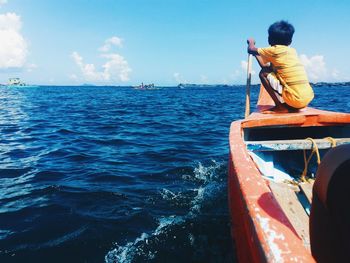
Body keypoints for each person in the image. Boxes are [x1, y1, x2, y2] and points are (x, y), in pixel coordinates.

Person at [247, 20, 314, 112]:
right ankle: (291, 104)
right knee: (267, 70)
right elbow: (265, 65)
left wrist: (251, 42)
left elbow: (251, 49)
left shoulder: (274, 50)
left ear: (269, 39)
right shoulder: (292, 51)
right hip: (307, 98)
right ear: (290, 41)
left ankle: (280, 107)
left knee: (263, 73)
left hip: (295, 99)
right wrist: (257, 55)